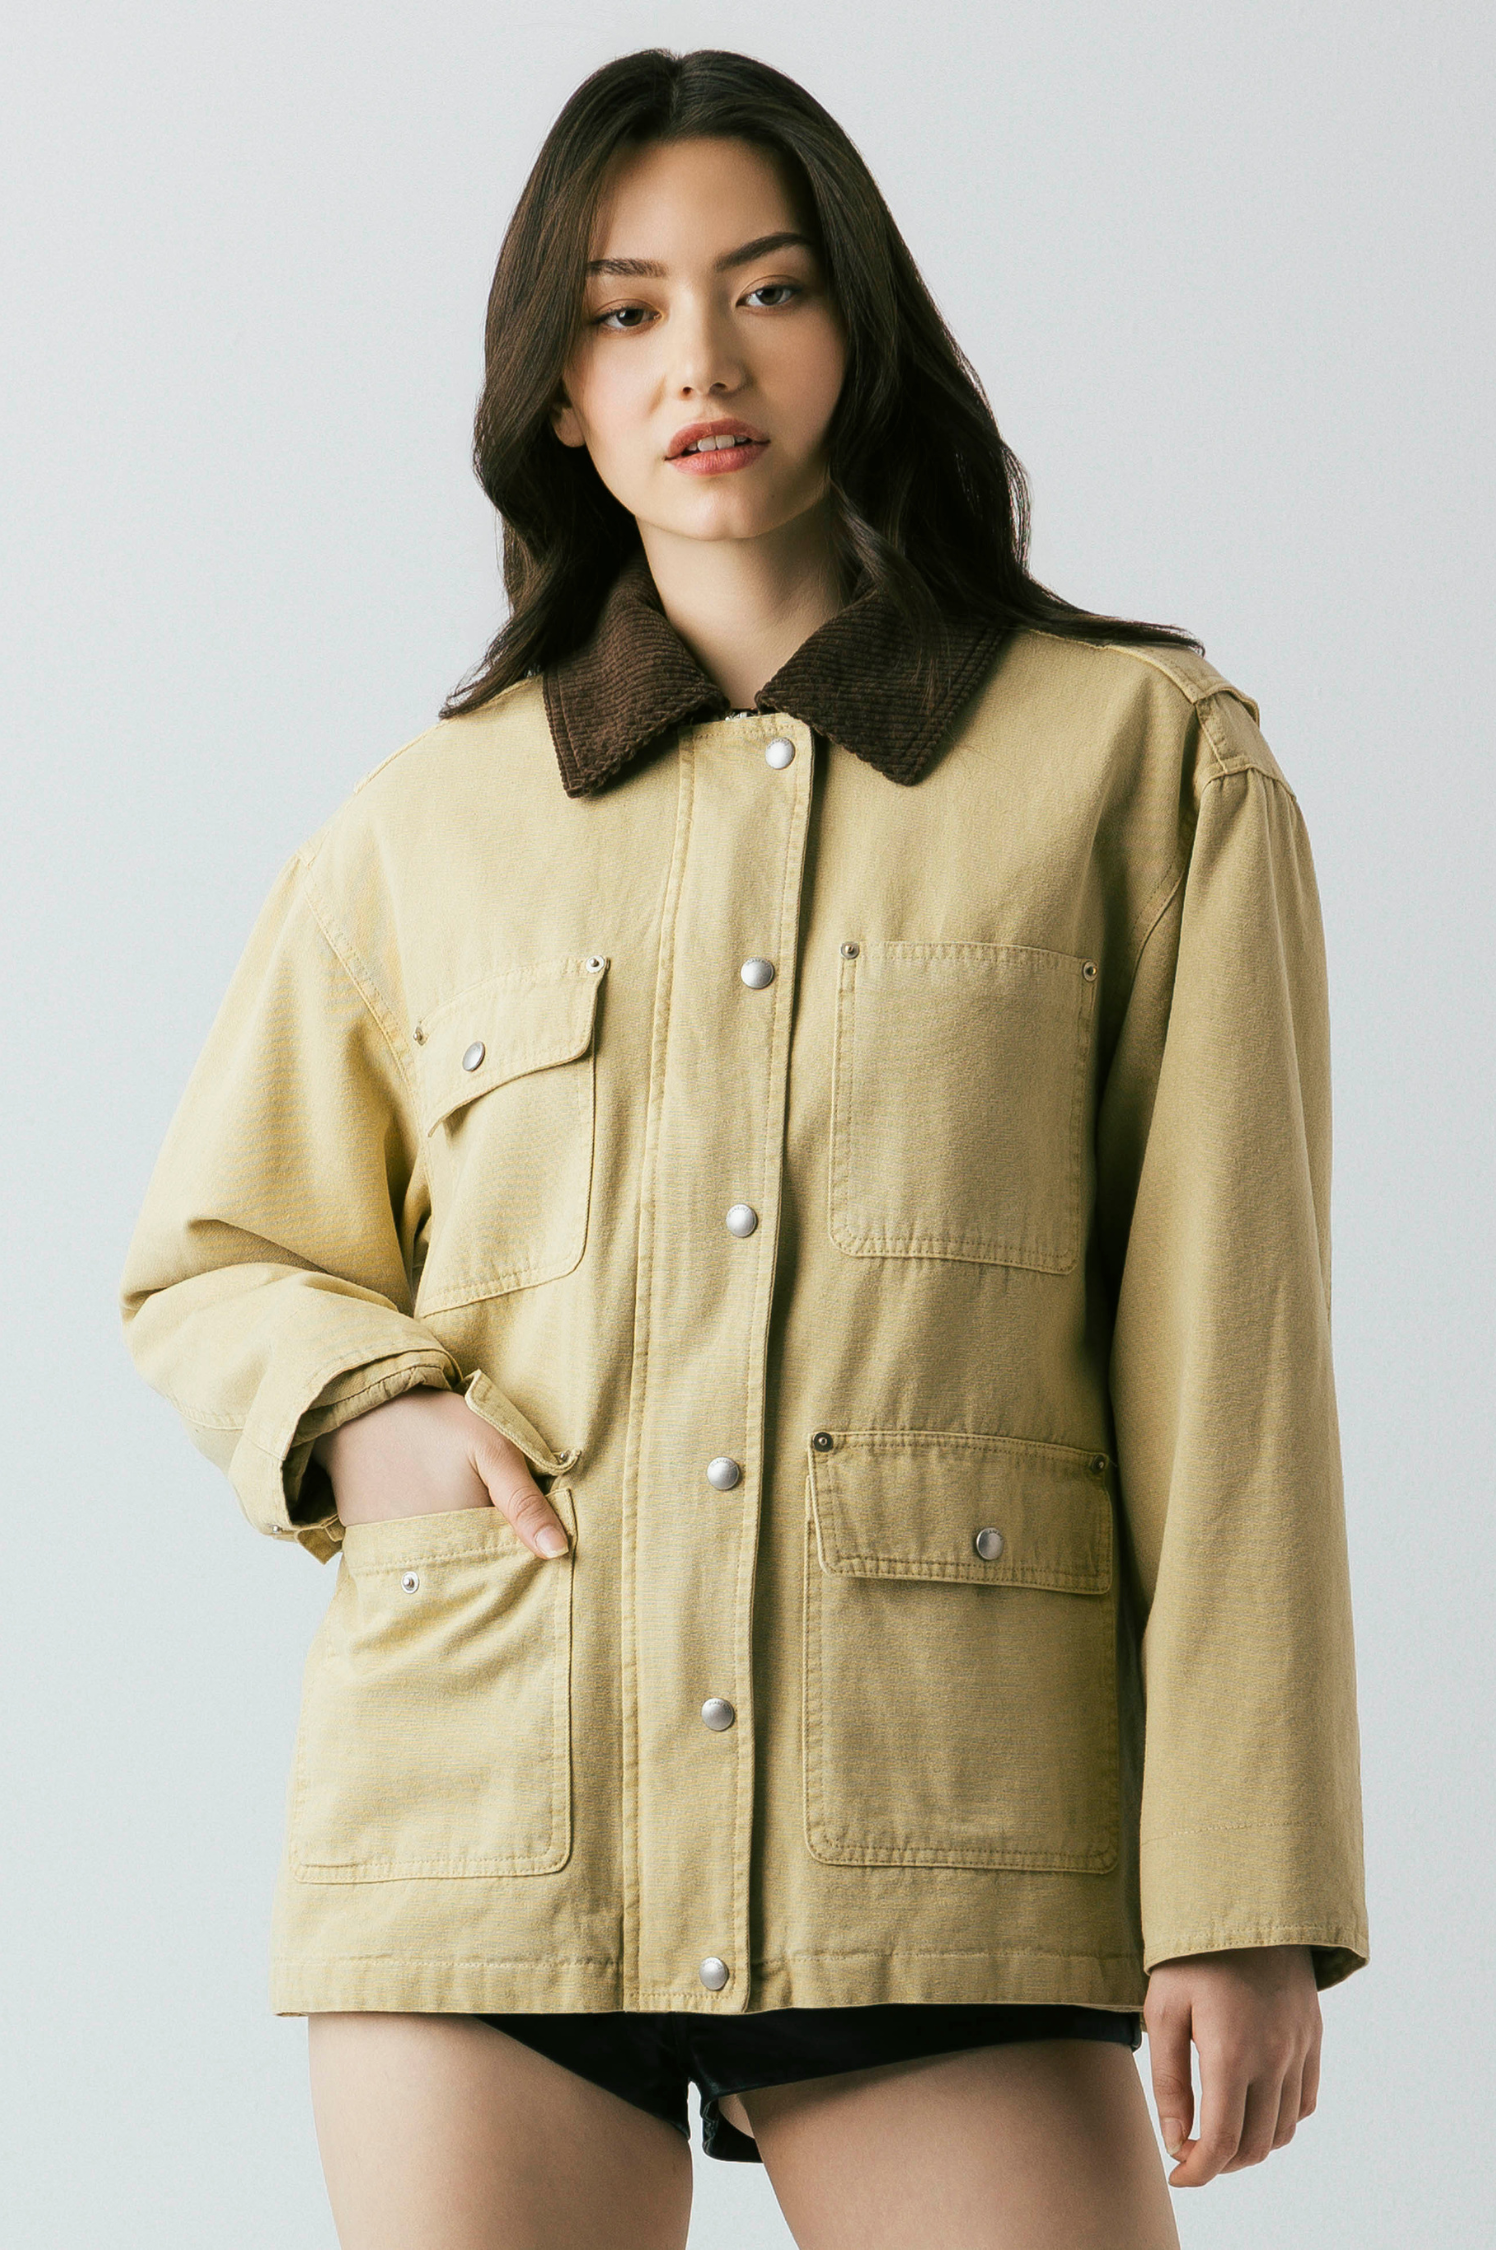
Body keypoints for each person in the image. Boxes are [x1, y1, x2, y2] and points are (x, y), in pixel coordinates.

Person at [119, 45, 1367, 2250]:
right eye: (623, 312)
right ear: (559, 393)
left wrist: (1244, 1886)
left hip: (944, 1815)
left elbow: (1233, 1372)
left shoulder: (1138, 764)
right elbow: (214, 1255)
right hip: (488, 1812)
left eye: (767, 289)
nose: (699, 359)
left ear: (859, 328)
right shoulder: (426, 823)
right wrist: (365, 1410)